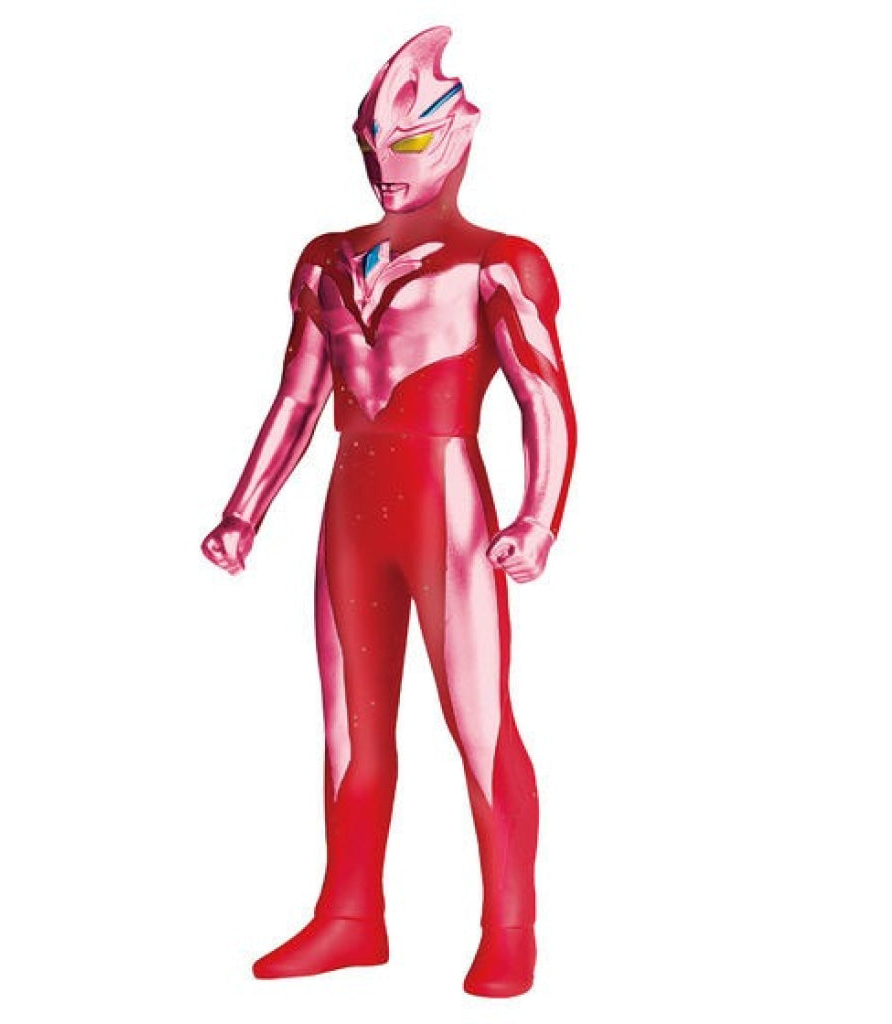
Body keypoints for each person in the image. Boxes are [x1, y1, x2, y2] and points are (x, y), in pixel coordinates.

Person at [201, 25, 576, 998]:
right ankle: (349, 916)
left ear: (460, 136)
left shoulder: (499, 262)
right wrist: (244, 511)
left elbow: (542, 396)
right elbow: (296, 396)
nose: (383, 162)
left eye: (407, 140)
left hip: (448, 505)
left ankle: (510, 927)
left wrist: (538, 516)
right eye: (369, 141)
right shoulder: (326, 260)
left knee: (478, 722)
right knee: (349, 730)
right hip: (352, 506)